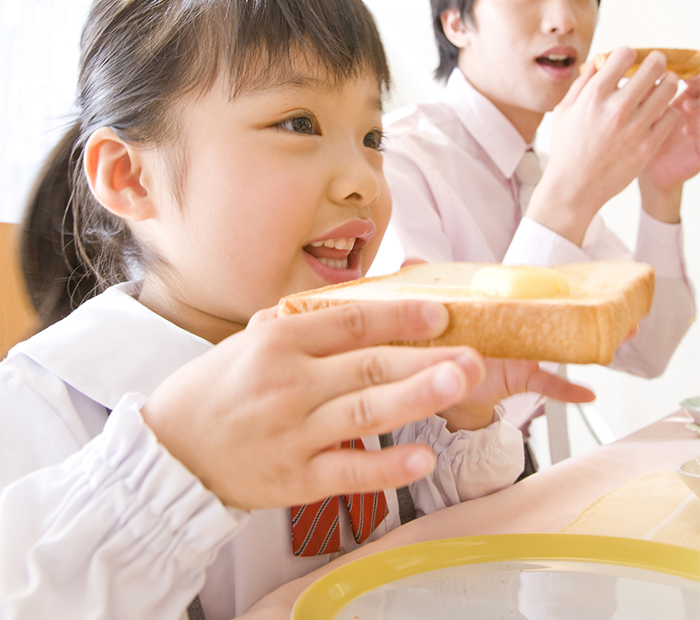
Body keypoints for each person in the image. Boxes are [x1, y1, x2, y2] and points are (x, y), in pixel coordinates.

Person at [0, 1, 597, 619]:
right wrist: (177, 467)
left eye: (371, 137)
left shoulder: (365, 366)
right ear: (130, 177)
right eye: (297, 123)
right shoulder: (45, 403)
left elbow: (461, 574)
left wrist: (466, 416)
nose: (363, 180)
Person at [372, 0, 699, 441]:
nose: (564, 20)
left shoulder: (548, 169)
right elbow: (427, 421)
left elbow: (647, 350)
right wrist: (567, 199)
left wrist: (661, 189)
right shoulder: (396, 162)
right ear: (456, 23)